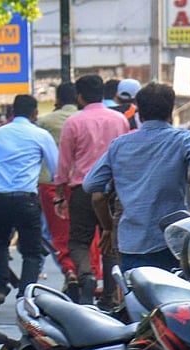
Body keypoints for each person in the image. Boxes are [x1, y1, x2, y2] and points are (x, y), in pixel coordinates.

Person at [84, 82, 190, 271]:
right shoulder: (185, 139)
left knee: (134, 289)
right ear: (171, 112)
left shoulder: (119, 145)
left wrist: (108, 226)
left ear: (139, 114)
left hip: (131, 243)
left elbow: (92, 186)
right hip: (172, 241)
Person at [0, 94, 58, 307]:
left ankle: (0, 286)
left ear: (13, 112)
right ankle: (25, 293)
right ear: (35, 113)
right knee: (31, 250)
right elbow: (56, 170)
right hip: (26, 198)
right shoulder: (40, 135)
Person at [53, 74, 128, 307]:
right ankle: (110, 296)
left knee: (79, 241)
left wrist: (59, 193)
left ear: (79, 97)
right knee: (111, 241)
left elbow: (64, 161)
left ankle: (86, 276)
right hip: (113, 190)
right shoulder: (119, 120)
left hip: (82, 190)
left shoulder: (74, 122)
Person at [36, 82, 80, 291]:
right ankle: (82, 271)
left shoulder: (45, 121)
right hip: (80, 182)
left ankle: (69, 270)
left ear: (58, 99)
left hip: (50, 182)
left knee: (55, 233)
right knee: (81, 231)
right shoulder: (84, 119)